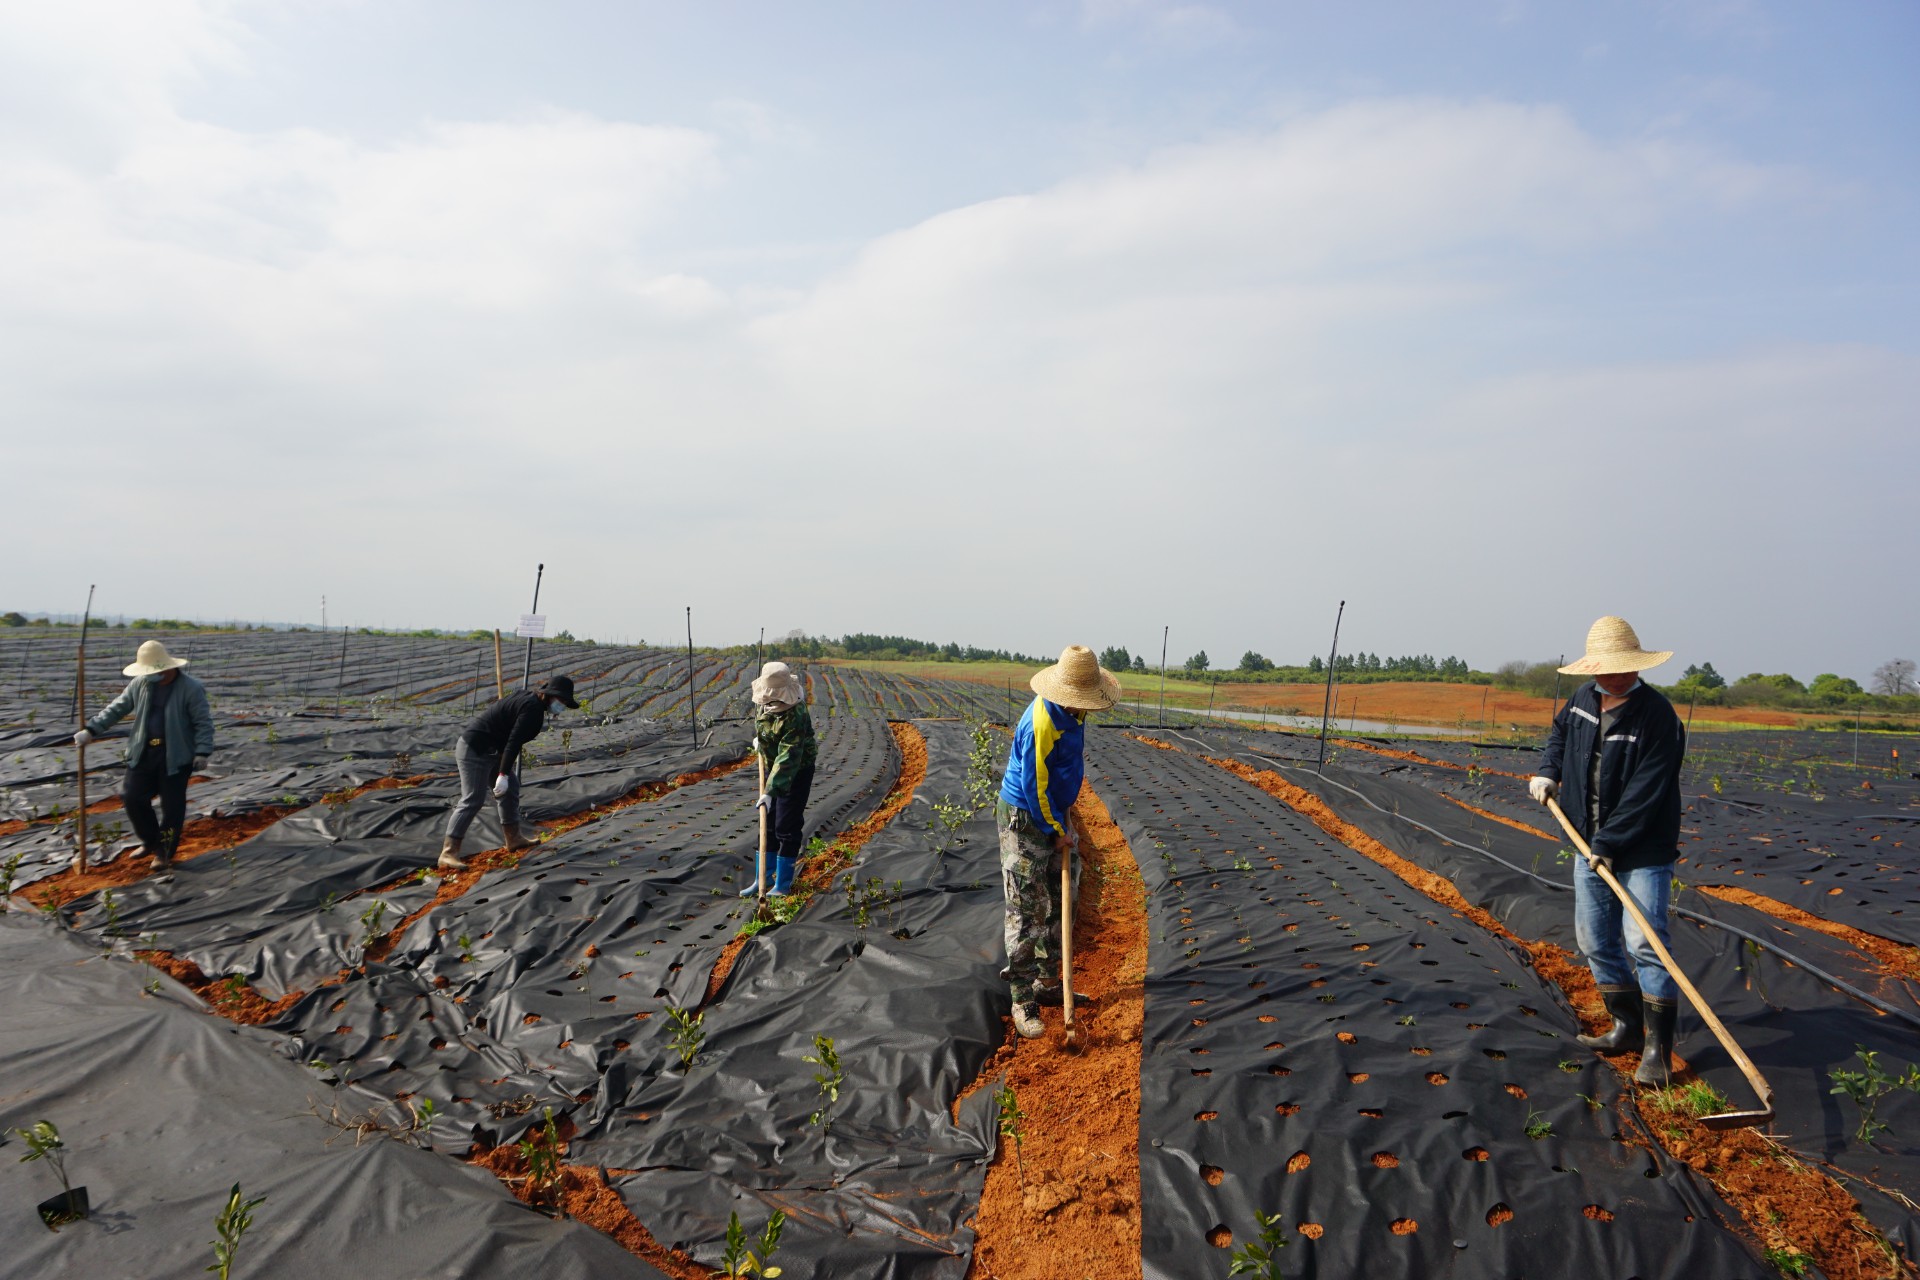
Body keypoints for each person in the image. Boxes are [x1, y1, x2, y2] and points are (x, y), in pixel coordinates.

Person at [1529, 616, 1686, 1085]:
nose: (1615, 675)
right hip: (1588, 840)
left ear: (1637, 665)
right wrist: (1548, 771)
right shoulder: (1583, 699)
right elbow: (1559, 736)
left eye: (1623, 666)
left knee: (1645, 943)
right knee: (1595, 940)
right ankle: (1627, 1028)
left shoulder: (1658, 715)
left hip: (1641, 848)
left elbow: (1647, 791)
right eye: (1607, 667)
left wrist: (1610, 844)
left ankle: (1658, 1050)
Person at [997, 645, 1120, 1040]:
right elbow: (1035, 787)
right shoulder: (1041, 724)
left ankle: (1048, 983)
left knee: (1063, 897)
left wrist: (1064, 815)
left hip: (1056, 813)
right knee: (1026, 906)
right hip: (1025, 817)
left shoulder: (1075, 713)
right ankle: (1022, 998)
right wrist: (1055, 831)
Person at [73, 640, 215, 873]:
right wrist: (91, 730)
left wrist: (202, 751)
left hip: (176, 756)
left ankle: (164, 852)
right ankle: (150, 841)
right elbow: (117, 708)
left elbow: (203, 722)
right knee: (132, 797)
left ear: (166, 668)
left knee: (172, 807)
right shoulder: (140, 684)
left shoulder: (190, 688)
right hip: (144, 751)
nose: (150, 675)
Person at [439, 674, 578, 871]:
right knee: (473, 798)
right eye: (560, 700)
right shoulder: (533, 710)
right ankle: (448, 853)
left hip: (492, 750)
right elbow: (514, 742)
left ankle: (513, 838)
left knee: (511, 788)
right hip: (475, 749)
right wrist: (502, 775)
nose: (561, 705)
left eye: (564, 702)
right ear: (548, 695)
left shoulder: (530, 700)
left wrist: (504, 774)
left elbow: (509, 738)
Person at [741, 662, 816, 897]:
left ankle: (782, 884)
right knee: (768, 824)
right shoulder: (764, 703)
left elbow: (788, 757)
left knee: (786, 826)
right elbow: (764, 726)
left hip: (796, 769)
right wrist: (761, 740)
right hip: (773, 765)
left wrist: (769, 792)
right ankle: (762, 879)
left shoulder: (796, 715)